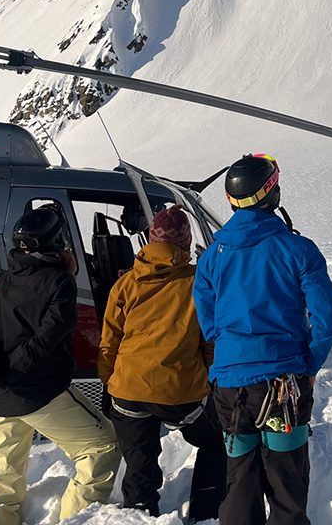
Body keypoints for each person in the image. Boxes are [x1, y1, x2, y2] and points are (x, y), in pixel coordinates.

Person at [194, 154, 332, 525]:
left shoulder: (212, 257)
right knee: (286, 482)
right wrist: (309, 363)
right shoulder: (297, 249)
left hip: (230, 390)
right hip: (282, 389)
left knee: (239, 479)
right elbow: (328, 318)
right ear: (270, 194)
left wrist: (231, 352)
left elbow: (208, 320)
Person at [0, 206, 120, 524]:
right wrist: (14, 369)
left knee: (5, 465)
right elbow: (49, 336)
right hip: (37, 392)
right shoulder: (58, 283)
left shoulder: (3, 281)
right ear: (52, 243)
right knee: (102, 445)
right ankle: (75, 518)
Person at [98, 204, 226, 521]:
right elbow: (210, 341)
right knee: (215, 440)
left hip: (128, 390)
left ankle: (140, 511)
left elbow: (109, 340)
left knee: (139, 460)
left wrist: (109, 381)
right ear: (185, 243)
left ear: (151, 240)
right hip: (180, 393)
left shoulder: (126, 283)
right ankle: (206, 510)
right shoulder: (199, 283)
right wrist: (209, 379)